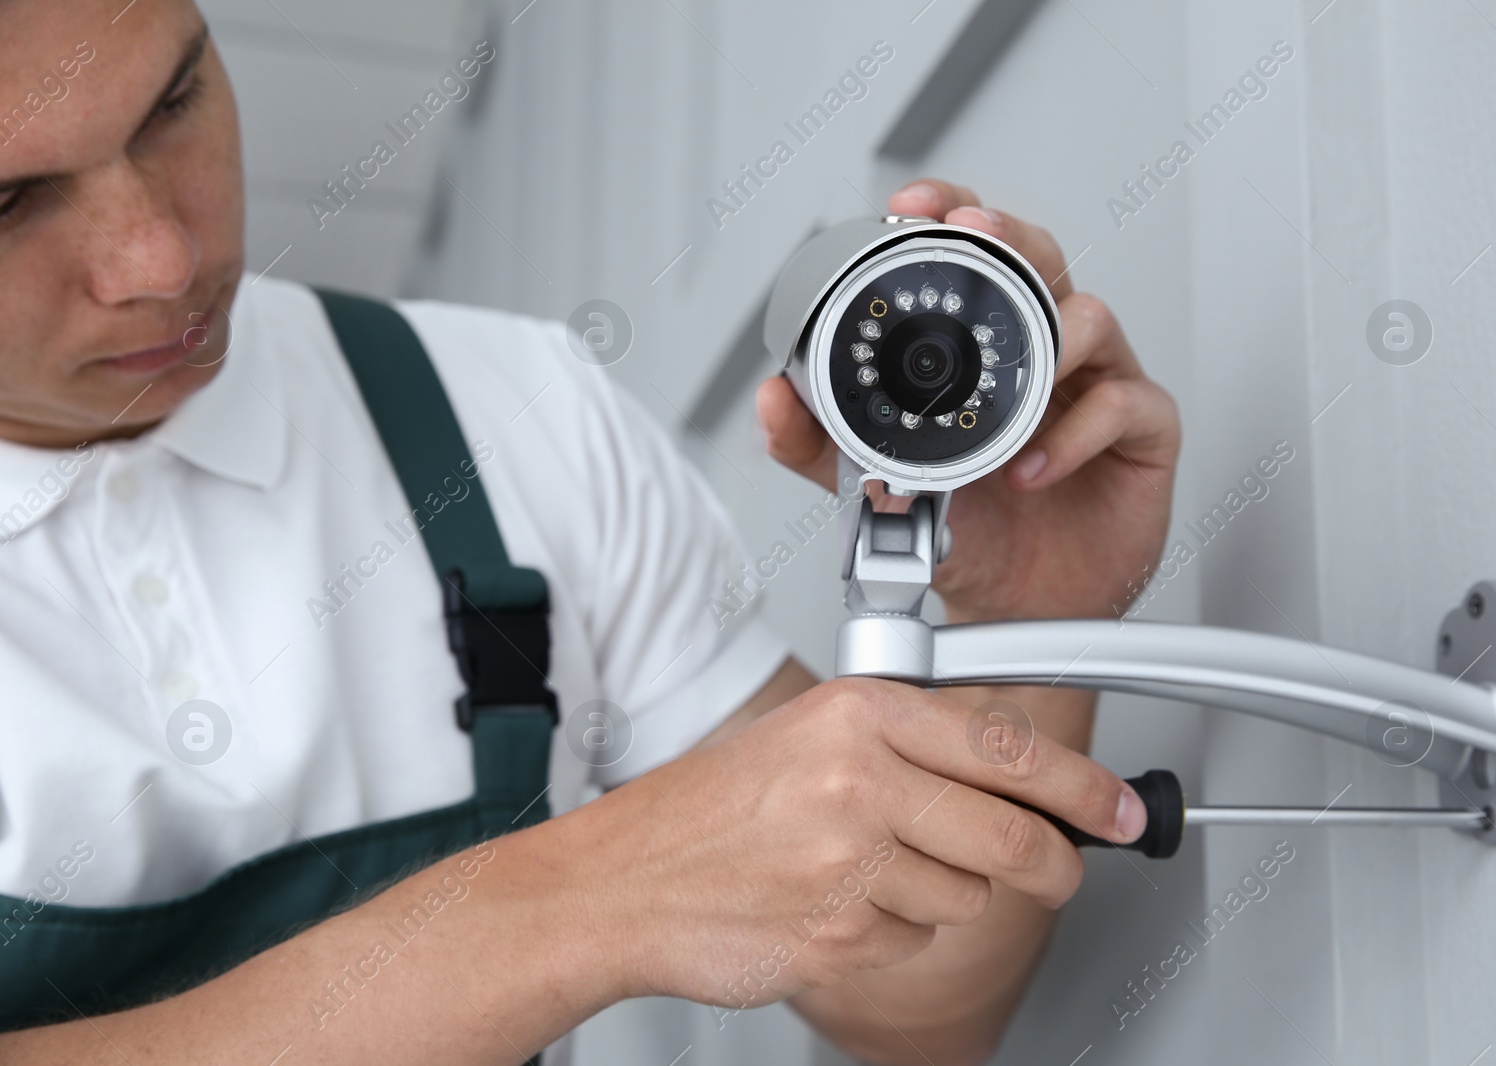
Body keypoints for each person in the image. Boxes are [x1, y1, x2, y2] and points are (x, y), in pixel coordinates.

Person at [0, 2, 1180, 1063]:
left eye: (172, 101)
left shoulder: (506, 408)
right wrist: (585, 898)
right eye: (10, 201)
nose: (158, 256)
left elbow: (916, 1010)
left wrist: (1025, 623)